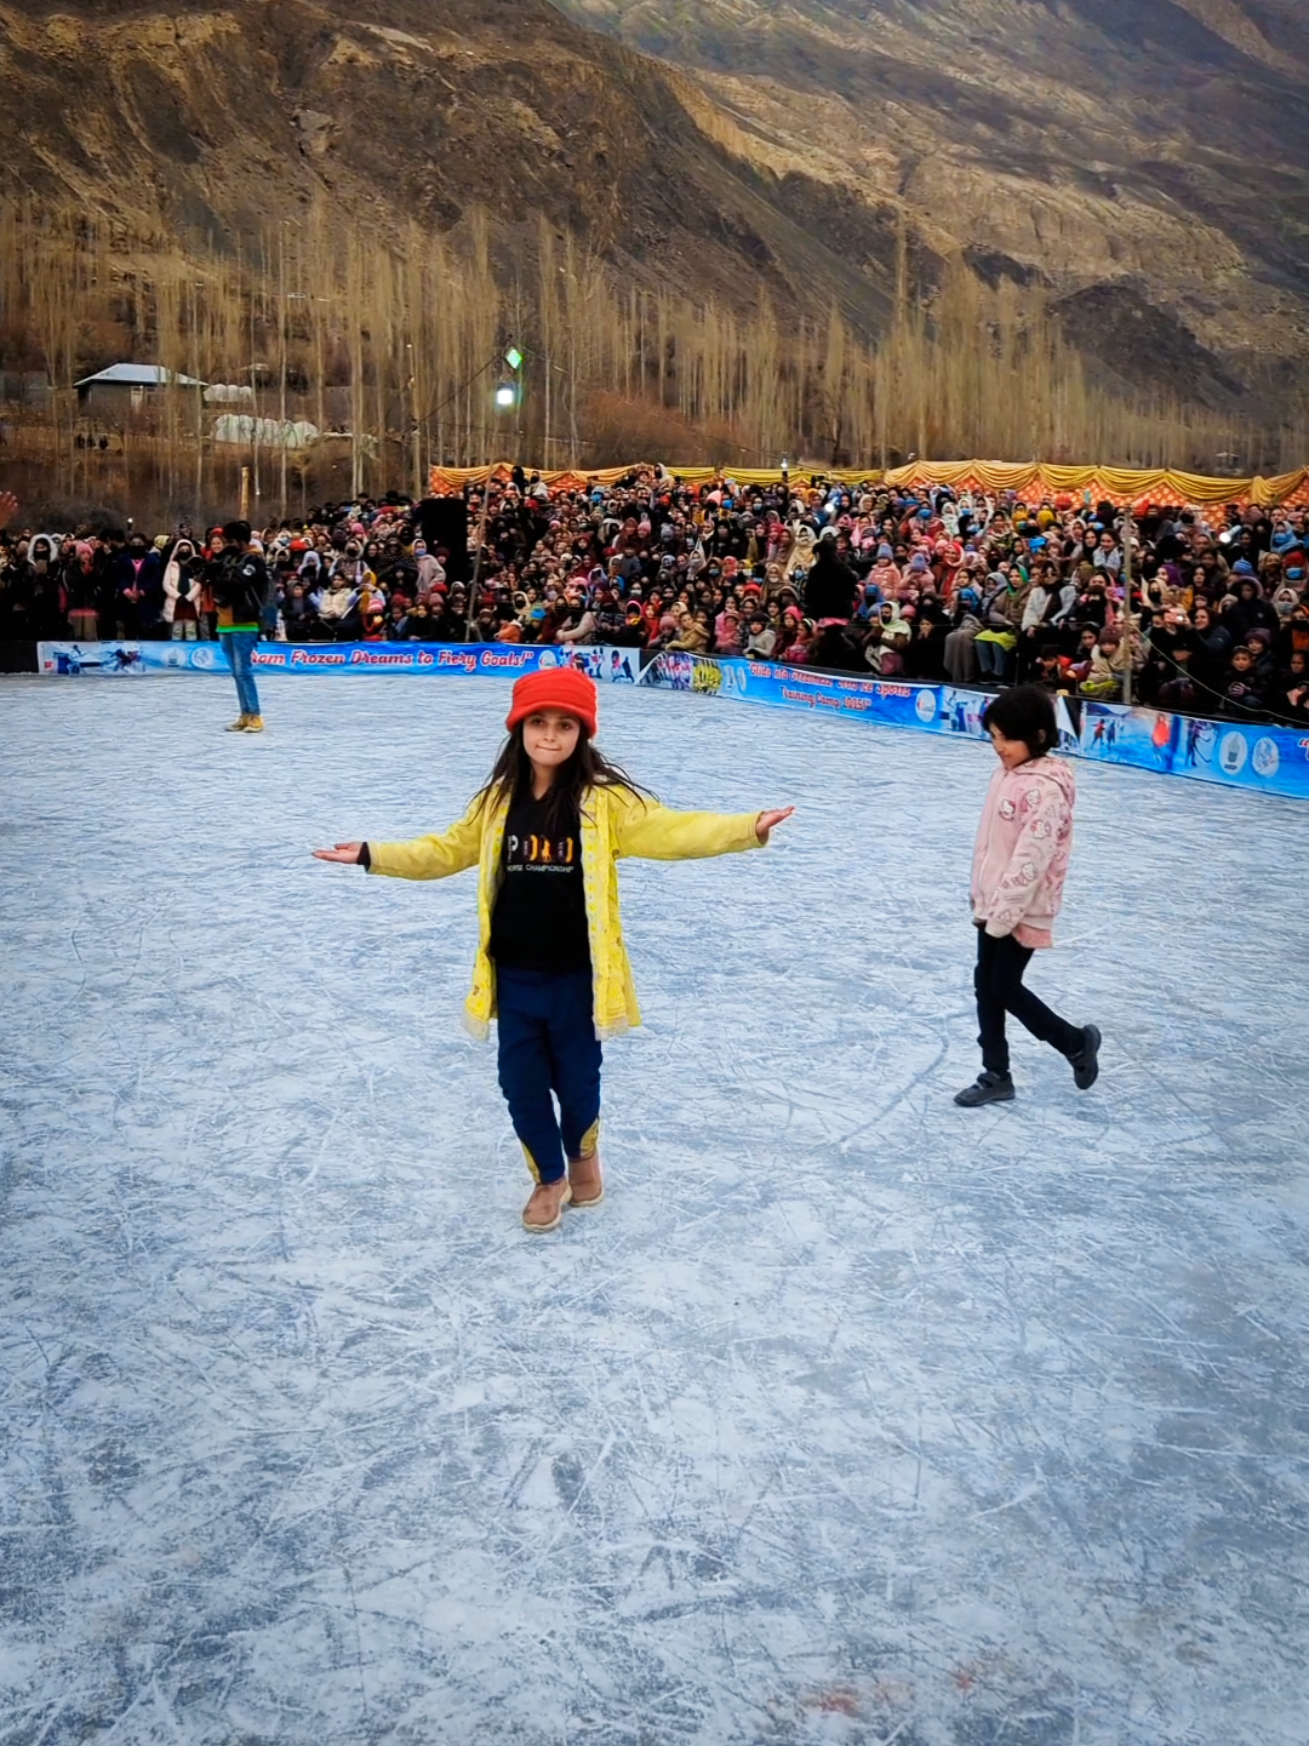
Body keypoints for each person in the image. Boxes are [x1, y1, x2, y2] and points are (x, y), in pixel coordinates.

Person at [312, 668, 794, 1233]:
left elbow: (670, 830)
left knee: (577, 1080)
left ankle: (583, 1155)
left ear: (581, 734)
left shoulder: (605, 803)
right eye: (538, 723)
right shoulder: (496, 803)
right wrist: (374, 854)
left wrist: (744, 828)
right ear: (519, 728)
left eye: (565, 725)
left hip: (577, 978)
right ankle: (548, 1176)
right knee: (519, 1082)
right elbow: (444, 851)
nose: (549, 736)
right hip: (513, 977)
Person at [956, 685, 1101, 1108]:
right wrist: (984, 896)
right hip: (994, 902)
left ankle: (1074, 1043)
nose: (998, 747)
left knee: (1002, 986)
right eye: (993, 737)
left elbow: (1030, 861)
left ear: (1037, 736)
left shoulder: (1046, 790)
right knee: (987, 984)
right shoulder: (1007, 775)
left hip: (1020, 907)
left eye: (1007, 738)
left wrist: (1002, 913)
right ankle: (995, 1073)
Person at [209, 520, 268, 732]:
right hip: (225, 621)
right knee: (235, 671)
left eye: (230, 541)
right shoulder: (229, 558)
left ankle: (255, 715)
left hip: (244, 621)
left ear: (241, 541)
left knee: (244, 670)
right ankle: (244, 713)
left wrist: (215, 574)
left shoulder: (254, 559)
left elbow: (238, 583)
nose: (226, 545)